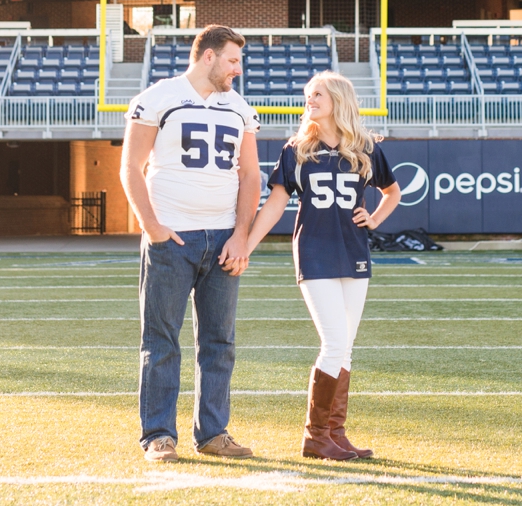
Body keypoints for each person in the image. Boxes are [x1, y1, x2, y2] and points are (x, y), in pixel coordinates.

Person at [243, 70, 401, 461]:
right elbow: (277, 203)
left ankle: (334, 433)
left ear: (338, 101)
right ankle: (315, 437)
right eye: (308, 95)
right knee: (333, 343)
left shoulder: (365, 147)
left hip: (354, 250)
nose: (309, 100)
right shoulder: (296, 149)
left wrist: (376, 219)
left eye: (317, 95)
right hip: (314, 250)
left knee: (345, 348)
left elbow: (392, 191)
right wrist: (247, 244)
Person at [120, 24, 260, 463]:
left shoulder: (238, 107)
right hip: (172, 238)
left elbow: (251, 176)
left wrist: (241, 235)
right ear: (209, 57)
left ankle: (213, 433)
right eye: (233, 60)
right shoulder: (159, 97)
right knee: (161, 340)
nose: (238, 70)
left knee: (220, 341)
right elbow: (131, 167)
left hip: (222, 239)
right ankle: (159, 435)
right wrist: (154, 228)